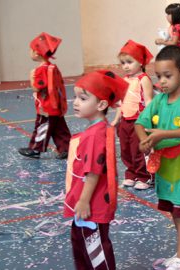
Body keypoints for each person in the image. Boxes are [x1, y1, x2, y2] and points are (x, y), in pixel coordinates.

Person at [135, 45, 180, 270]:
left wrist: (161, 134)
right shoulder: (159, 101)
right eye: (159, 77)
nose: (162, 82)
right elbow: (140, 123)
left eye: (168, 76)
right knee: (176, 213)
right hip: (167, 172)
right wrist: (144, 141)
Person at [64, 70, 128, 270]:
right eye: (75, 97)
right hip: (89, 202)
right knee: (81, 244)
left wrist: (83, 201)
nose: (75, 102)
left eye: (83, 98)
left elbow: (92, 172)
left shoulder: (95, 135)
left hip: (91, 205)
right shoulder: (98, 129)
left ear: (101, 105)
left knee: (95, 251)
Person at [18, 32, 71, 159]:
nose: (30, 52)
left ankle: (35, 149)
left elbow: (37, 87)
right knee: (59, 129)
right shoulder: (52, 66)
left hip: (46, 107)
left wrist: (31, 77)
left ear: (36, 53)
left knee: (42, 127)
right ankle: (67, 148)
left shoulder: (41, 70)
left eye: (31, 50)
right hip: (56, 106)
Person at [111, 40, 154, 190]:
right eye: (123, 63)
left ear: (140, 62)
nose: (126, 66)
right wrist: (117, 119)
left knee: (139, 150)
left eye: (129, 62)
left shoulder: (144, 79)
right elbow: (121, 102)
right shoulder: (124, 80)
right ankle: (131, 174)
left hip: (139, 122)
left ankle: (144, 176)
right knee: (125, 150)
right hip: (125, 121)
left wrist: (149, 122)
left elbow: (149, 101)